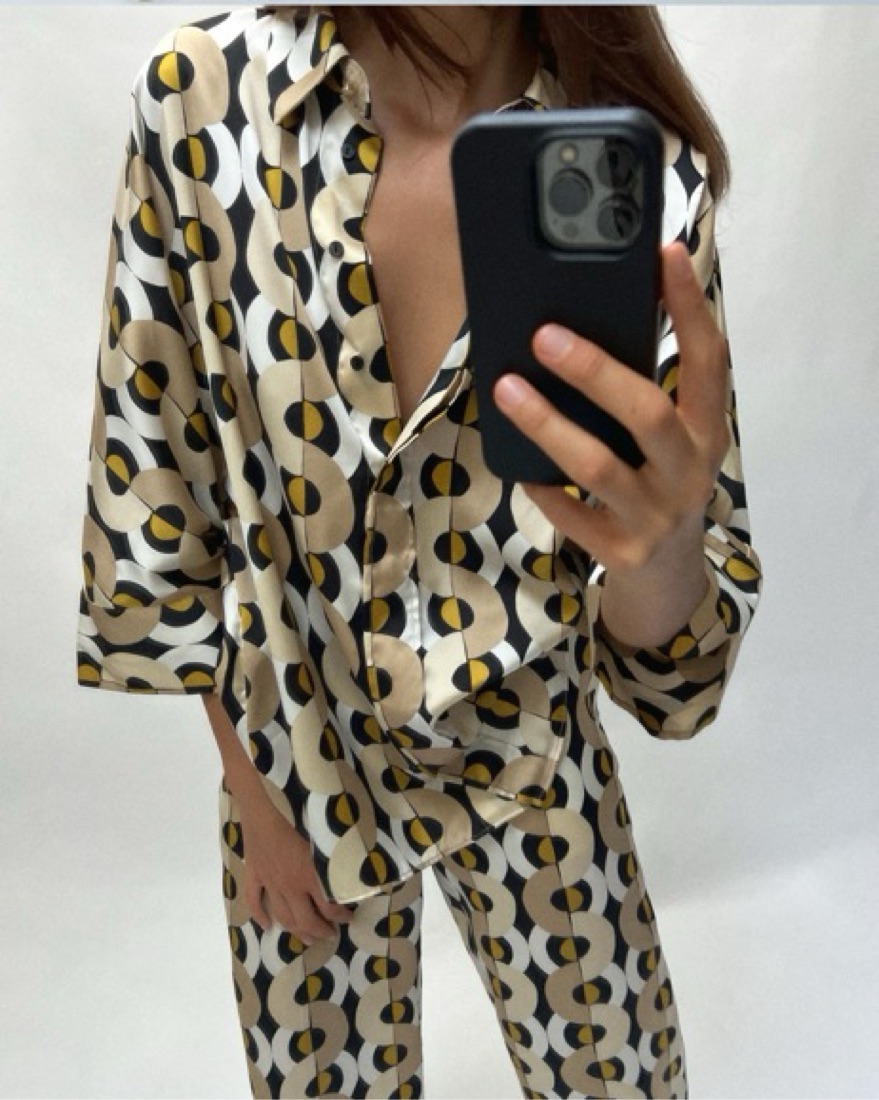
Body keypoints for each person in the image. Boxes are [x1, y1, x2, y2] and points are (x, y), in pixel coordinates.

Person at [77, 6, 761, 1098]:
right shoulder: (203, 104)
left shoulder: (636, 168)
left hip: (535, 753)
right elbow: (160, 483)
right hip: (300, 755)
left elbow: (672, 676)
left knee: (625, 1079)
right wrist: (255, 794)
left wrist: (663, 543)